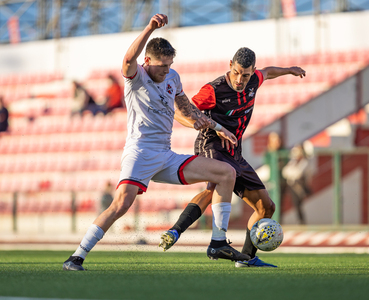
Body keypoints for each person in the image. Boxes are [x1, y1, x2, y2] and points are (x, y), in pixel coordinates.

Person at [63, 14, 249, 271]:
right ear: (148, 61)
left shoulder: (172, 77)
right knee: (121, 205)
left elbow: (188, 109)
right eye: (162, 65)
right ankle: (77, 256)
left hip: (165, 154)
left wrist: (217, 127)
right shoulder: (136, 76)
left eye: (170, 64)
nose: (166, 69)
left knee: (226, 173)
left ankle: (218, 242)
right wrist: (150, 27)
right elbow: (128, 59)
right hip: (139, 152)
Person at [159, 47, 306, 268]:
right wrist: (203, 125)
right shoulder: (213, 90)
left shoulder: (255, 79)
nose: (240, 79)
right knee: (213, 189)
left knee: (266, 207)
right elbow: (181, 111)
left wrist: (289, 70)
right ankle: (176, 231)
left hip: (234, 153)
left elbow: (268, 71)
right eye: (236, 72)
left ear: (251, 72)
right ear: (230, 65)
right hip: (211, 145)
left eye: (245, 75)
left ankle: (247, 258)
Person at [282, 144, 313, 225]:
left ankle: (301, 221)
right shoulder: (293, 161)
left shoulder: (305, 161)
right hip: (292, 185)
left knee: (299, 203)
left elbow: (298, 173)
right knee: (295, 203)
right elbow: (285, 172)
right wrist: (292, 172)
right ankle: (300, 220)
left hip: (299, 185)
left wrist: (292, 173)